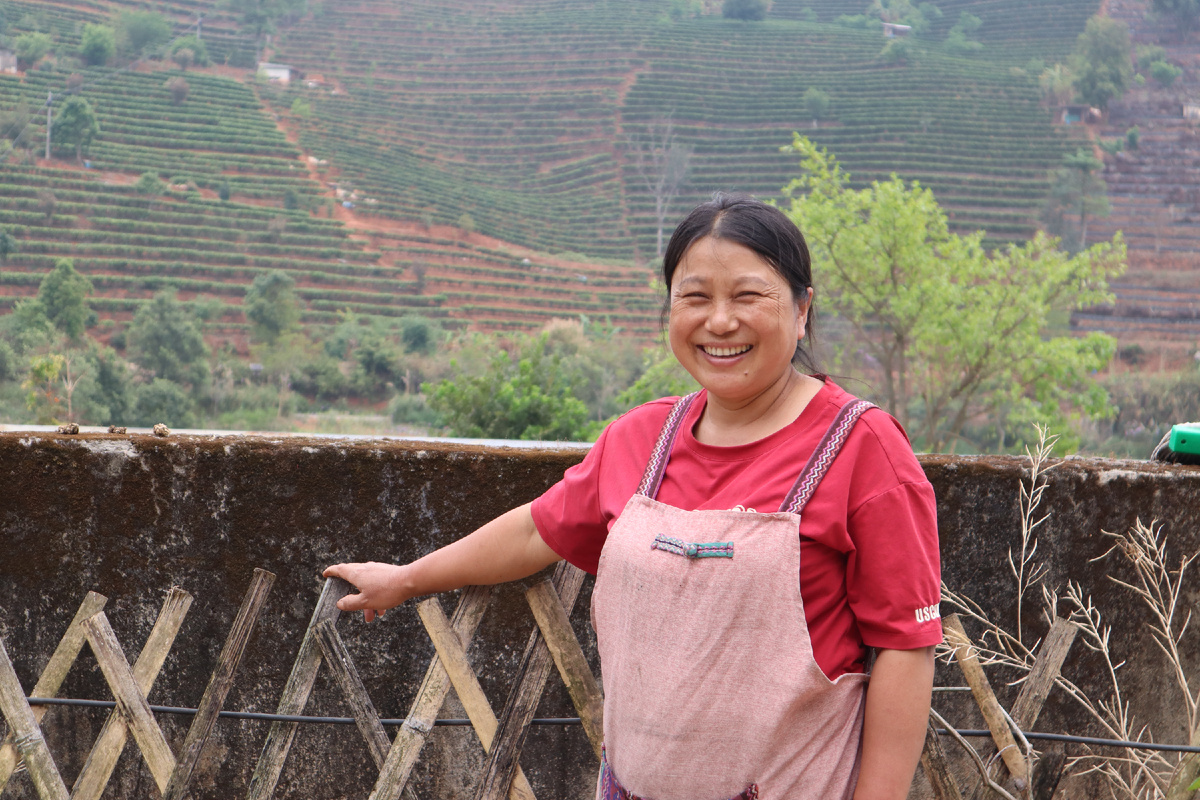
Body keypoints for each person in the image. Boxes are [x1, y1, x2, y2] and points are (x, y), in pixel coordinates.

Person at [325, 193, 942, 800]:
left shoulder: (863, 448)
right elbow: (538, 530)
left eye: (748, 296)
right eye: (694, 297)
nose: (719, 322)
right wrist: (405, 579)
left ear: (803, 309)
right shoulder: (640, 438)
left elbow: (904, 648)